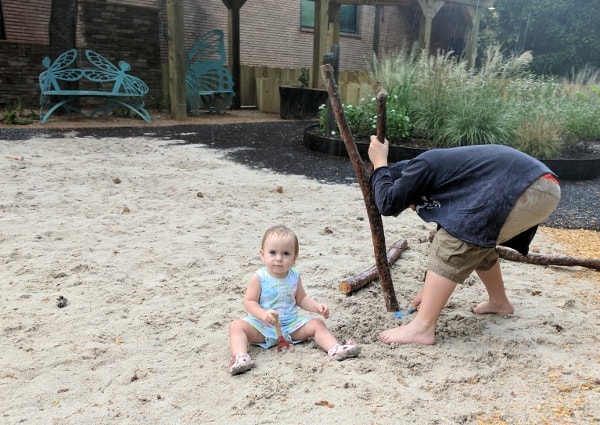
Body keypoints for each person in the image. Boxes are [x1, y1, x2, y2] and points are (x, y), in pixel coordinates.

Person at [367, 136, 561, 345]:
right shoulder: (445, 176)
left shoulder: (420, 165)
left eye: (409, 202)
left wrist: (379, 163)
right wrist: (427, 289)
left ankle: (421, 328)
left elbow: (387, 203)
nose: (412, 207)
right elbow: (454, 226)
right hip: (542, 186)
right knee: (475, 242)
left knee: (457, 239)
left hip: (525, 186)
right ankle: (499, 302)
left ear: (407, 182)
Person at [228, 225, 360, 375]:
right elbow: (249, 302)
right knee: (236, 326)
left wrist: (317, 307)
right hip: (263, 327)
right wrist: (263, 314)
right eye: (272, 253)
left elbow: (301, 298)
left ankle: (334, 348)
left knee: (317, 323)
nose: (278, 258)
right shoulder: (259, 277)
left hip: (291, 326)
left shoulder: (294, 275)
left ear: (294, 257)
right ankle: (240, 357)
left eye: (285, 253)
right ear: (262, 254)